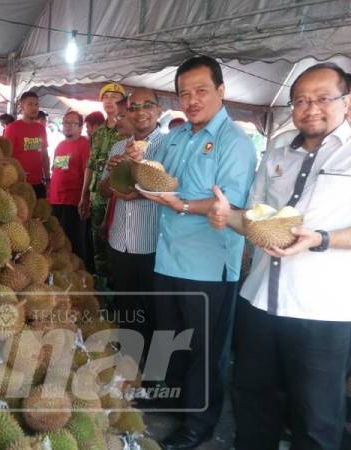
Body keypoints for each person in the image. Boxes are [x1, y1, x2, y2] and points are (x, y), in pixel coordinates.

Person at [208, 62, 351, 450]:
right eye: (301, 100)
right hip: (259, 302)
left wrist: (321, 238)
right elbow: (254, 217)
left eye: (323, 98)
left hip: (322, 313)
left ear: (347, 102)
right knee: (252, 401)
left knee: (317, 419)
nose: (310, 108)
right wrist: (227, 216)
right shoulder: (276, 149)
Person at [129, 55, 257, 449]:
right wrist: (137, 164)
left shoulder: (235, 143)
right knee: (172, 337)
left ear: (221, 91)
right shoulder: (176, 138)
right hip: (168, 257)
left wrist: (182, 205)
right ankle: (172, 398)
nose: (192, 100)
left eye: (201, 90)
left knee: (205, 350)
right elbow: (154, 175)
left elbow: (229, 208)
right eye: (184, 93)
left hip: (208, 266)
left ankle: (199, 425)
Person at [97, 88, 164, 386]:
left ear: (159, 110)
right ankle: (129, 370)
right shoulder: (117, 148)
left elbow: (173, 190)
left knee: (153, 310)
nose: (140, 112)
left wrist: (138, 187)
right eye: (133, 107)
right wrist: (114, 174)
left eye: (146, 106)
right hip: (120, 239)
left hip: (153, 243)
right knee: (127, 309)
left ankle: (153, 377)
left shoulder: (169, 146)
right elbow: (102, 190)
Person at [79, 82, 126, 288]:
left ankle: (118, 290)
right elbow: (90, 166)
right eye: (105, 97)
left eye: (115, 97)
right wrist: (84, 196)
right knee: (98, 243)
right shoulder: (97, 134)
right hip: (98, 198)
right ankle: (104, 290)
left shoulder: (126, 131)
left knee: (117, 245)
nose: (109, 100)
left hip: (119, 199)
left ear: (123, 103)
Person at [48, 111, 90, 260]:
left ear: (80, 127)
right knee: (57, 240)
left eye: (73, 123)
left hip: (73, 201)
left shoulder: (84, 144)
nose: (68, 126)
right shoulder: (60, 145)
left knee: (74, 243)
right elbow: (56, 170)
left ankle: (80, 277)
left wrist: (84, 198)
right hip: (56, 199)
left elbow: (88, 171)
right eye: (65, 122)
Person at [4, 92, 49, 198]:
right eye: (30, 104)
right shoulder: (12, 128)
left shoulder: (41, 129)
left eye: (36, 104)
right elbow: (6, 157)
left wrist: (47, 178)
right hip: (18, 184)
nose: (34, 108)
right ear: (21, 106)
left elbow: (44, 155)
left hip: (38, 183)